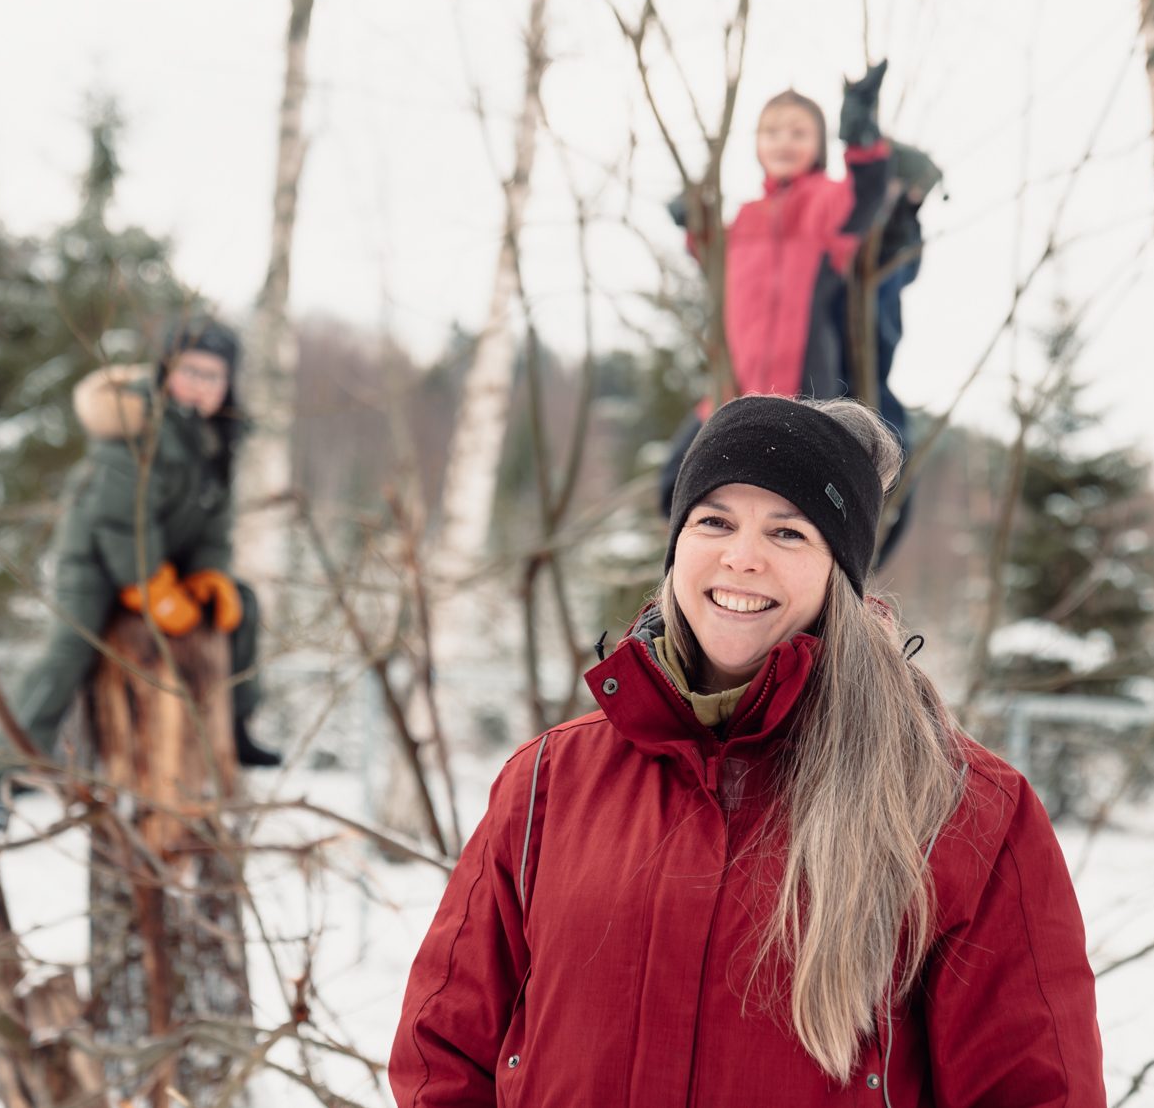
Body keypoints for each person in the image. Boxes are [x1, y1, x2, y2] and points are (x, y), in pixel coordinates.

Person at [390, 395, 1104, 1107]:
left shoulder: (960, 807)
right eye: (714, 521)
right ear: (676, 549)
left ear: (840, 574)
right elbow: (443, 1052)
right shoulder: (548, 781)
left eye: (788, 533)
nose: (742, 557)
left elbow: (1034, 1090)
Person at [0, 314, 279, 833]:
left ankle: (238, 723)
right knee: (70, 650)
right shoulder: (136, 421)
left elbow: (215, 520)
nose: (201, 386)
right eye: (191, 371)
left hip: (170, 563)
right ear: (166, 369)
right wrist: (149, 585)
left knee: (241, 608)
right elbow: (120, 517)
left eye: (213, 376)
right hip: (96, 560)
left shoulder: (216, 437)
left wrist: (207, 575)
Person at [659, 61, 939, 560]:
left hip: (802, 390)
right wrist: (693, 222)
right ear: (755, 142)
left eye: (798, 131)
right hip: (732, 390)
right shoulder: (745, 216)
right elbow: (714, 260)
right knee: (673, 484)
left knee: (797, 505)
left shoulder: (826, 204)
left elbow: (866, 198)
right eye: (771, 131)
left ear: (819, 142)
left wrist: (861, 138)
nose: (784, 141)